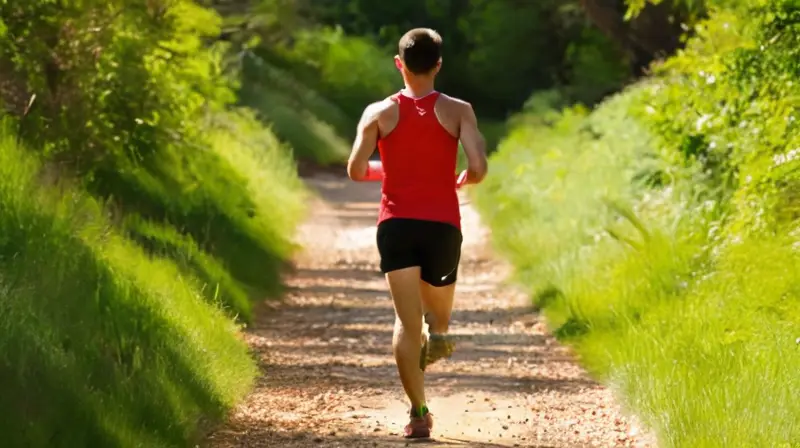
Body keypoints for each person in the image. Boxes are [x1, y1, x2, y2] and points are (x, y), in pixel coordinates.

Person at [346, 27, 489, 439]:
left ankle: (418, 412)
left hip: (396, 226)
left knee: (407, 324)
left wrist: (390, 170)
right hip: (442, 226)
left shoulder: (377, 112)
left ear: (399, 64)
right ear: (438, 65)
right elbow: (477, 167)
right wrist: (464, 176)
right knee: (437, 318)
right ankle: (439, 334)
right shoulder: (459, 110)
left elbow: (356, 170)